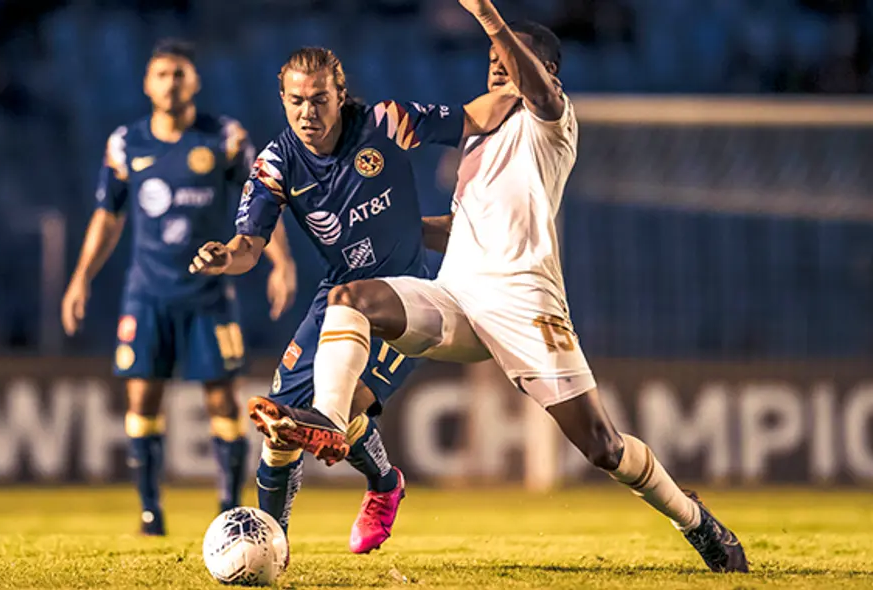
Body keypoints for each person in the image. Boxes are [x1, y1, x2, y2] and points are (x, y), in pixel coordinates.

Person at [229, 1, 751, 574]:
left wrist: (492, 21)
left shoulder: (550, 122)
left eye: (511, 62)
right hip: (455, 297)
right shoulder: (475, 143)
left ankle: (695, 520)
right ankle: (330, 419)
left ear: (545, 71)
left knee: (602, 446)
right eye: (492, 63)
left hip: (524, 303)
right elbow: (463, 229)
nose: (498, 69)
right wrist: (379, 223)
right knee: (350, 298)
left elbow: (537, 95)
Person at [189, 46, 519, 553]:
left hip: (407, 299)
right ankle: (272, 546)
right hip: (338, 297)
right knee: (280, 424)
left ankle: (383, 488)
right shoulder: (275, 166)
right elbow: (248, 248)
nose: (308, 112)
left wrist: (524, 87)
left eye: (320, 99)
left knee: (338, 411)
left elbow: (475, 116)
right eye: (296, 100)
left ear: (341, 96)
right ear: (282, 100)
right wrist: (222, 257)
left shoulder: (385, 123)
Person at [61, 39, 296, 536]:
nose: (171, 82)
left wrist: (281, 262)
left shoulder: (224, 138)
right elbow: (108, 216)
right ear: (148, 84)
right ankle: (150, 513)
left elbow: (261, 201)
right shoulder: (127, 144)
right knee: (142, 400)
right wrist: (81, 278)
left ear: (195, 81)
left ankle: (228, 507)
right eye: (162, 74)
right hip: (147, 296)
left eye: (180, 73)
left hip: (208, 296)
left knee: (223, 403)